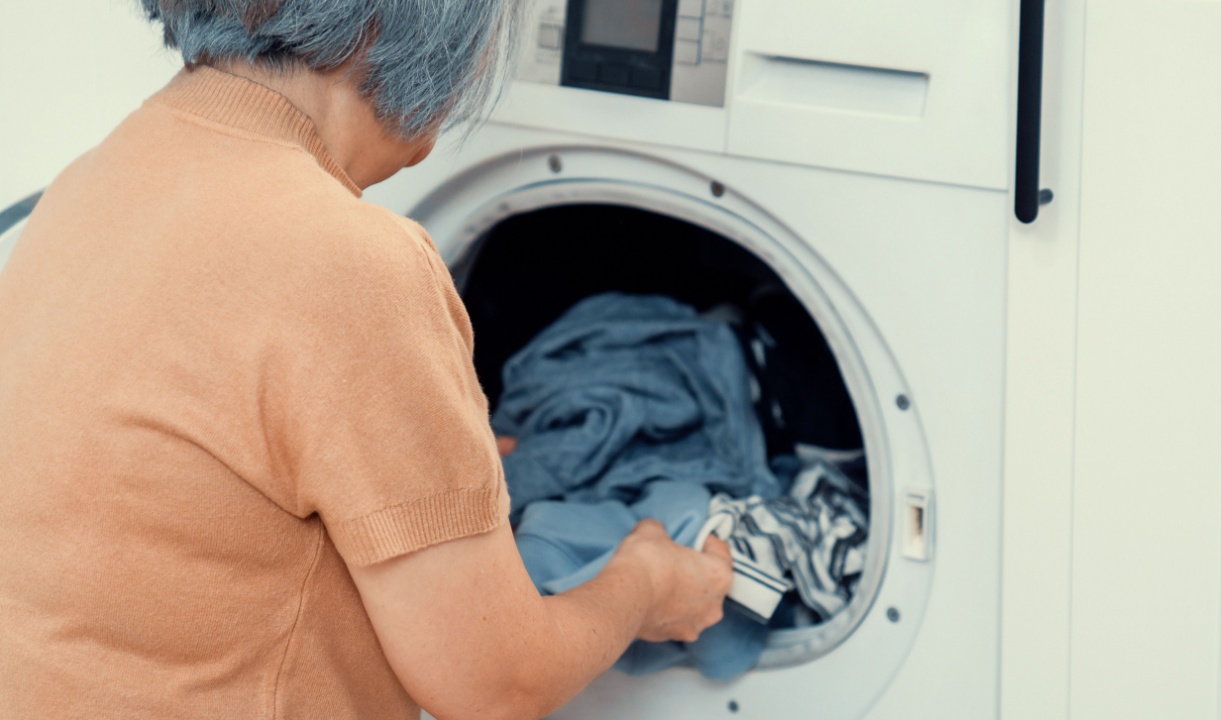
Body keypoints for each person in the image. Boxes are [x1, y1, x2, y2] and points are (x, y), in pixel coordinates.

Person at [0, 2, 733, 719]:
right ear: (410, 21)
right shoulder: (351, 262)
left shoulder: (94, 179)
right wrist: (647, 582)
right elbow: (497, 686)